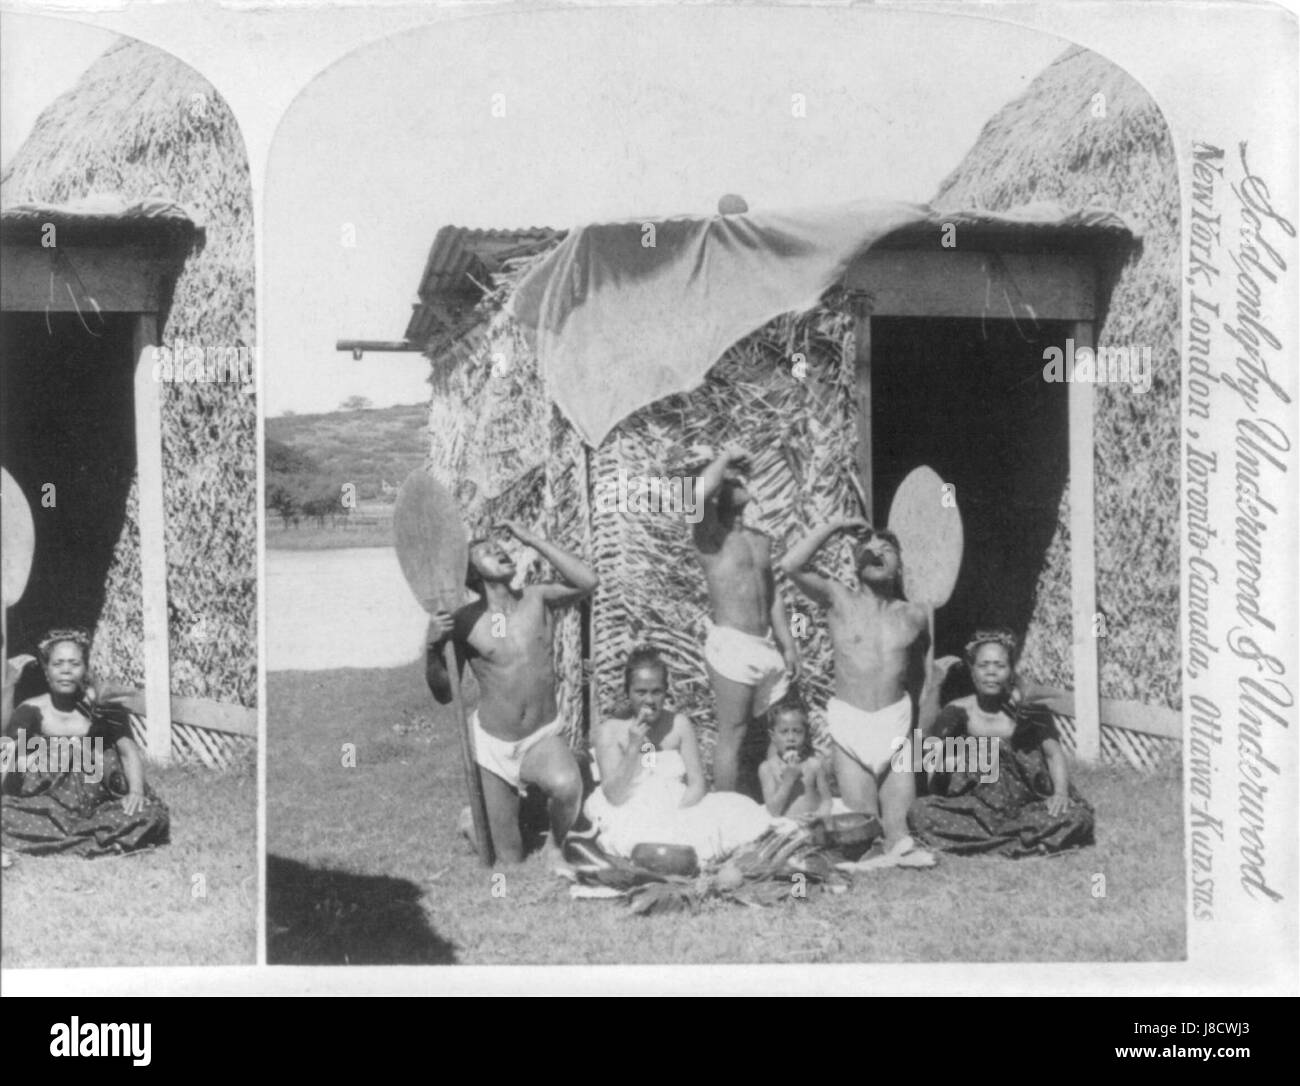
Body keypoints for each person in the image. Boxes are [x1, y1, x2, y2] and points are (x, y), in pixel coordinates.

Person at [426, 521, 597, 865]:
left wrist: (531, 539)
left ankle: (555, 849)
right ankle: (473, 824)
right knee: (510, 859)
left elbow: (588, 581)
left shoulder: (537, 598)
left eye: (500, 547)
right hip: (493, 746)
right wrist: (432, 649)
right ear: (472, 574)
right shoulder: (463, 622)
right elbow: (446, 693)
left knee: (567, 787)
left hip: (541, 737)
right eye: (487, 553)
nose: (499, 551)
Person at [779, 518, 934, 866]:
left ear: (899, 566)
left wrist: (917, 739)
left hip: (895, 727)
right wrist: (838, 526)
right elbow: (791, 564)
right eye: (869, 549)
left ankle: (894, 846)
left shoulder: (914, 616)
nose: (877, 552)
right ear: (855, 561)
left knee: (899, 832)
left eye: (887, 549)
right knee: (865, 831)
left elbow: (923, 680)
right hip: (852, 728)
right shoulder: (838, 599)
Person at [907, 628, 1095, 857]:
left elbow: (1053, 755)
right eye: (984, 666)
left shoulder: (1029, 710)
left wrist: (1061, 793)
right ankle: (1028, 843)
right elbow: (927, 755)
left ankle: (990, 844)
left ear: (1011, 670)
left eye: (999, 666)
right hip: (977, 808)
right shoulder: (957, 710)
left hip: (1029, 804)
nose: (991, 673)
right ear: (972, 670)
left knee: (1077, 818)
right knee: (920, 813)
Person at [585, 646, 776, 863]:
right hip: (631, 807)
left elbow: (697, 784)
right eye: (641, 692)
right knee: (650, 836)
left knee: (738, 809)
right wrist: (633, 748)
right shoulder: (610, 730)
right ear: (628, 692)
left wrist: (678, 813)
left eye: (656, 691)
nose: (649, 700)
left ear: (666, 691)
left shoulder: (678, 725)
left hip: (679, 804)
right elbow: (613, 795)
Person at [1, 629, 169, 858]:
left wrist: (136, 792)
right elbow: (6, 753)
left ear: (86, 668)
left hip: (100, 803)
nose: (66, 671)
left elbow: (128, 752)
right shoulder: (31, 710)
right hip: (47, 805)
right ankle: (100, 842)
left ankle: (59, 842)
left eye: (74, 663)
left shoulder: (103, 707)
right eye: (58, 664)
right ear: (46, 670)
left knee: (148, 814)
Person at [690, 444, 800, 796]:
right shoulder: (709, 537)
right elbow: (697, 493)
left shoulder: (759, 540)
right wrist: (723, 458)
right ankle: (724, 814)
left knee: (774, 730)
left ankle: (775, 806)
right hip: (732, 644)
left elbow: (772, 593)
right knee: (733, 733)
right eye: (727, 478)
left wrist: (787, 642)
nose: (736, 478)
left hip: (765, 645)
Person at [758, 695, 833, 821]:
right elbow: (773, 811)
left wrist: (819, 815)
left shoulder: (814, 765)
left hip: (813, 825)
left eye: (797, 731)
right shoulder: (767, 768)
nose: (791, 738)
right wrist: (788, 781)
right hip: (784, 827)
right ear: (773, 736)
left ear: (805, 733)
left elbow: (827, 801)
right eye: (784, 731)